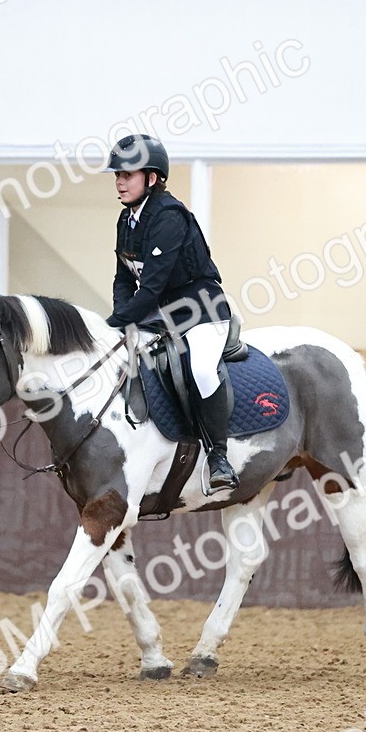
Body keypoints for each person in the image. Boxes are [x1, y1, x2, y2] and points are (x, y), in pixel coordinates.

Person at [104, 134, 238, 494]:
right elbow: (123, 278)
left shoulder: (168, 216)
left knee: (200, 369)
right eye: (116, 174)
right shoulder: (126, 219)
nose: (119, 180)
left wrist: (116, 323)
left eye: (128, 174)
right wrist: (120, 318)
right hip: (161, 312)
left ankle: (218, 457)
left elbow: (150, 288)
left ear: (152, 178)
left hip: (201, 308)